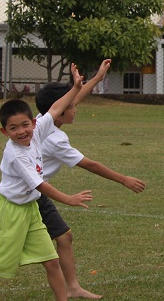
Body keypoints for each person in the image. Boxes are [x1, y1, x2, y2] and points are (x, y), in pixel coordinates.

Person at [0, 65, 93, 301]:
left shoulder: (38, 130)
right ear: (5, 132)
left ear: (34, 123)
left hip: (31, 210)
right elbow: (39, 185)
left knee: (52, 261)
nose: (21, 132)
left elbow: (56, 108)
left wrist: (75, 88)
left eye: (25, 125)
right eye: (13, 128)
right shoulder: (16, 154)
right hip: (10, 212)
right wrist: (68, 199)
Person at [34, 60, 146, 299]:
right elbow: (89, 164)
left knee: (64, 236)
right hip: (30, 193)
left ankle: (73, 288)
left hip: (37, 192)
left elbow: (72, 98)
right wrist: (123, 179)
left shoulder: (42, 119)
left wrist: (96, 78)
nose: (76, 108)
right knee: (4, 250)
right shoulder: (55, 139)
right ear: (60, 110)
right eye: (72, 107)